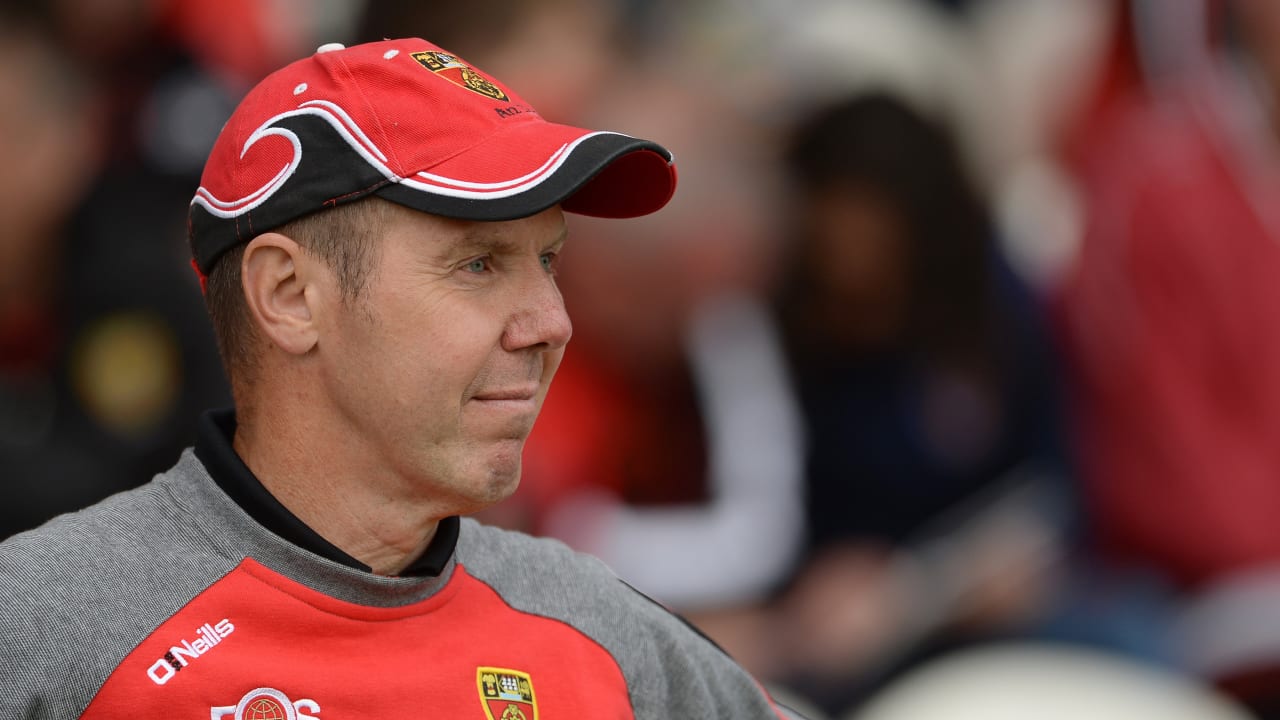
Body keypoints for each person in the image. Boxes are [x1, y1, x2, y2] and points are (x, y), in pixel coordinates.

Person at [0, 37, 805, 719]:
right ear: (289, 296)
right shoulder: (48, 627)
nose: (553, 322)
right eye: (478, 263)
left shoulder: (600, 634)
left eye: (549, 262)